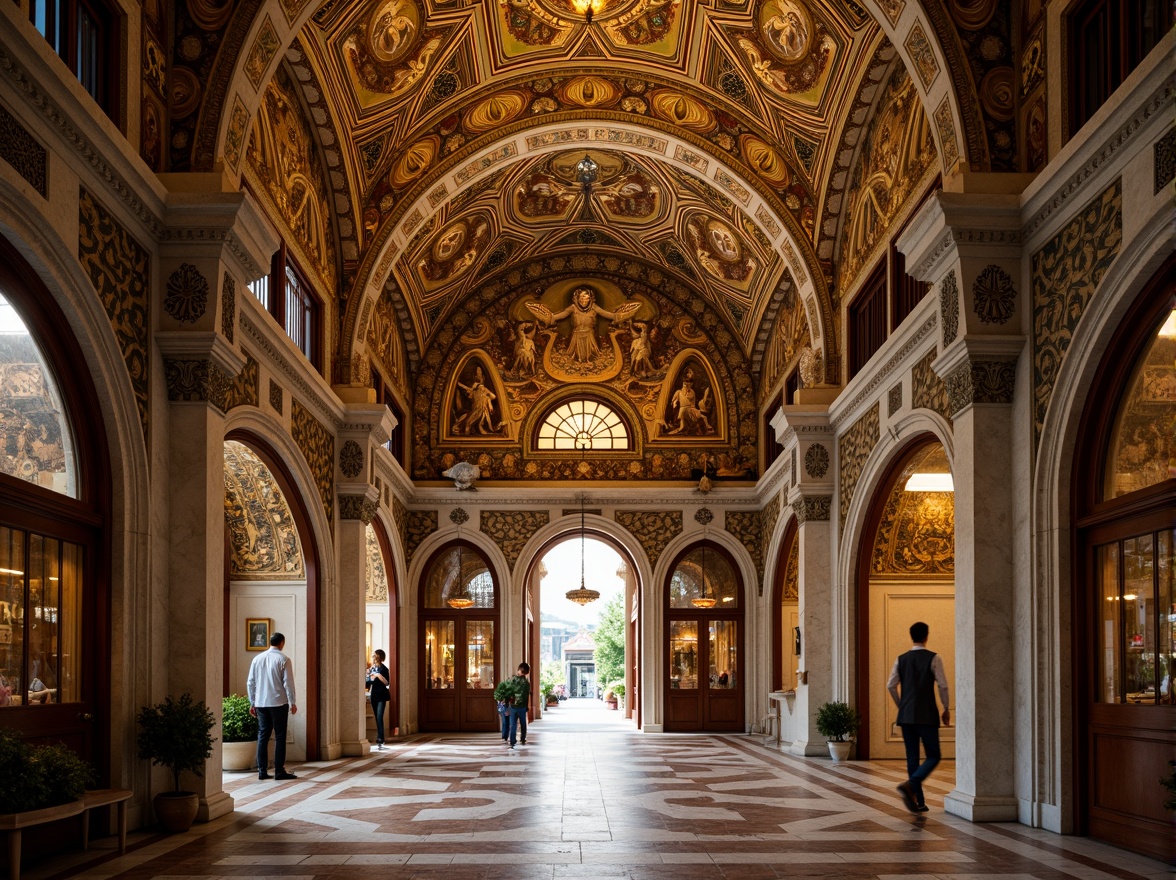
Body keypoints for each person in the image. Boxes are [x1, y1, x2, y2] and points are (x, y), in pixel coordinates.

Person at [886, 621, 950, 814]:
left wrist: (901, 705)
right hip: (926, 714)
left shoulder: (901, 659)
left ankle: (919, 802)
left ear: (911, 636)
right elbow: (943, 686)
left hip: (906, 716)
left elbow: (891, 685)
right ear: (926, 636)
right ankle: (911, 784)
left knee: (912, 758)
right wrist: (946, 708)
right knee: (933, 755)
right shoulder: (934, 658)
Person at [247, 631, 299, 781]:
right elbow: (288, 684)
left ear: (270, 642)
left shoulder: (257, 659)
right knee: (280, 736)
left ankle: (262, 771)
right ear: (282, 643)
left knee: (263, 736)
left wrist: (252, 702)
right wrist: (292, 702)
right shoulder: (284, 659)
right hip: (278, 702)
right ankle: (279, 771)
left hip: (261, 702)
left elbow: (250, 682)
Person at [367, 649, 390, 750]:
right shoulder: (372, 668)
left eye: (374, 655)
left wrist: (377, 675)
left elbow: (386, 682)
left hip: (382, 695)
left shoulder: (384, 669)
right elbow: (368, 682)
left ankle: (381, 738)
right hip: (374, 695)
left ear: (379, 657)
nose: (373, 657)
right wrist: (368, 676)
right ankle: (379, 737)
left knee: (380, 716)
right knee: (377, 717)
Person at [507, 662, 530, 750]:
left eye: (519, 670)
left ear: (520, 671)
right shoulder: (527, 684)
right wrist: (527, 706)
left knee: (513, 724)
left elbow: (509, 691)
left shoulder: (513, 680)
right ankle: (523, 738)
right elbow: (527, 695)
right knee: (523, 723)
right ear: (527, 673)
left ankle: (512, 741)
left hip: (513, 706)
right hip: (522, 707)